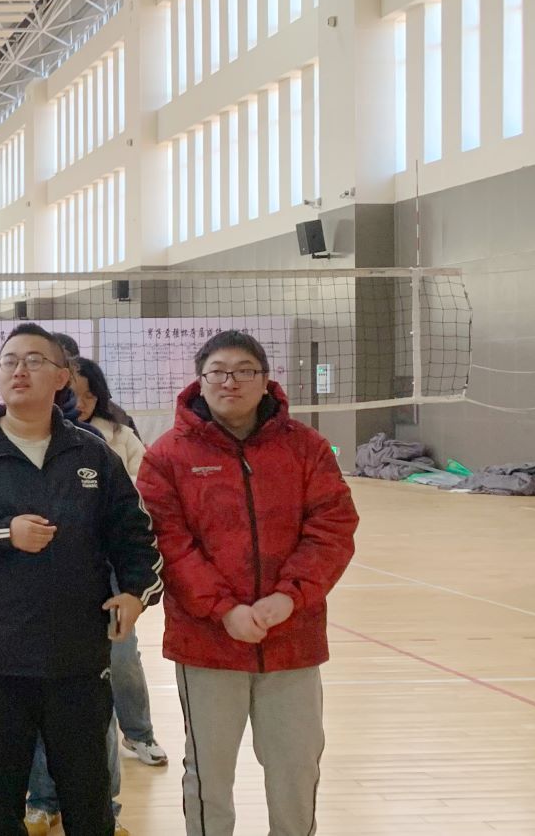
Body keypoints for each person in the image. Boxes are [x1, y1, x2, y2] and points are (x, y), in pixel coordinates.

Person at [0, 323, 164, 836]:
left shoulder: (92, 453)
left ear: (61, 377)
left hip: (76, 658)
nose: (19, 370)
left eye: (34, 360)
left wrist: (135, 593)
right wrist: (4, 532)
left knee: (89, 797)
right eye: (9, 361)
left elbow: (134, 532)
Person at [136, 331, 359, 836]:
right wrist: (224, 610)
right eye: (217, 371)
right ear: (200, 380)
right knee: (209, 774)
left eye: (244, 371)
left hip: (292, 639)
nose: (230, 382)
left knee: (296, 768)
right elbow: (169, 543)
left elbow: (333, 527)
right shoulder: (167, 456)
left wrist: (290, 596)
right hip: (207, 643)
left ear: (265, 381)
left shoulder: (307, 448)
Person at [24, 356, 161, 836]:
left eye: (87, 394)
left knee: (105, 695)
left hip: (103, 589)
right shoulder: (20, 441)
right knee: (40, 702)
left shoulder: (109, 441)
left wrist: (134, 590)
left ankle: (110, 800)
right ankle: (43, 800)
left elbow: (136, 510)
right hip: (40, 599)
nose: (79, 402)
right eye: (73, 394)